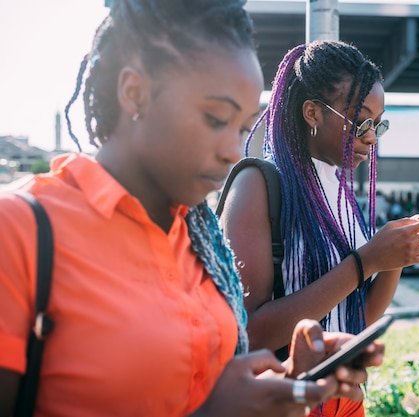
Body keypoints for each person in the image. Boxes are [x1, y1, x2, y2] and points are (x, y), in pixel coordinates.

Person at [0, 2, 384, 417]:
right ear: (135, 93)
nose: (233, 150)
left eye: (242, 127)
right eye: (216, 118)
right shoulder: (19, 231)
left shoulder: (201, 241)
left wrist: (290, 380)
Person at [219, 40, 419, 417]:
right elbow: (250, 333)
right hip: (283, 399)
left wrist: (396, 257)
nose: (371, 137)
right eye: (361, 122)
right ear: (312, 112)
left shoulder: (339, 190)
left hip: (345, 398)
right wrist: (365, 261)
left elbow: (356, 320)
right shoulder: (259, 183)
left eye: (378, 124)